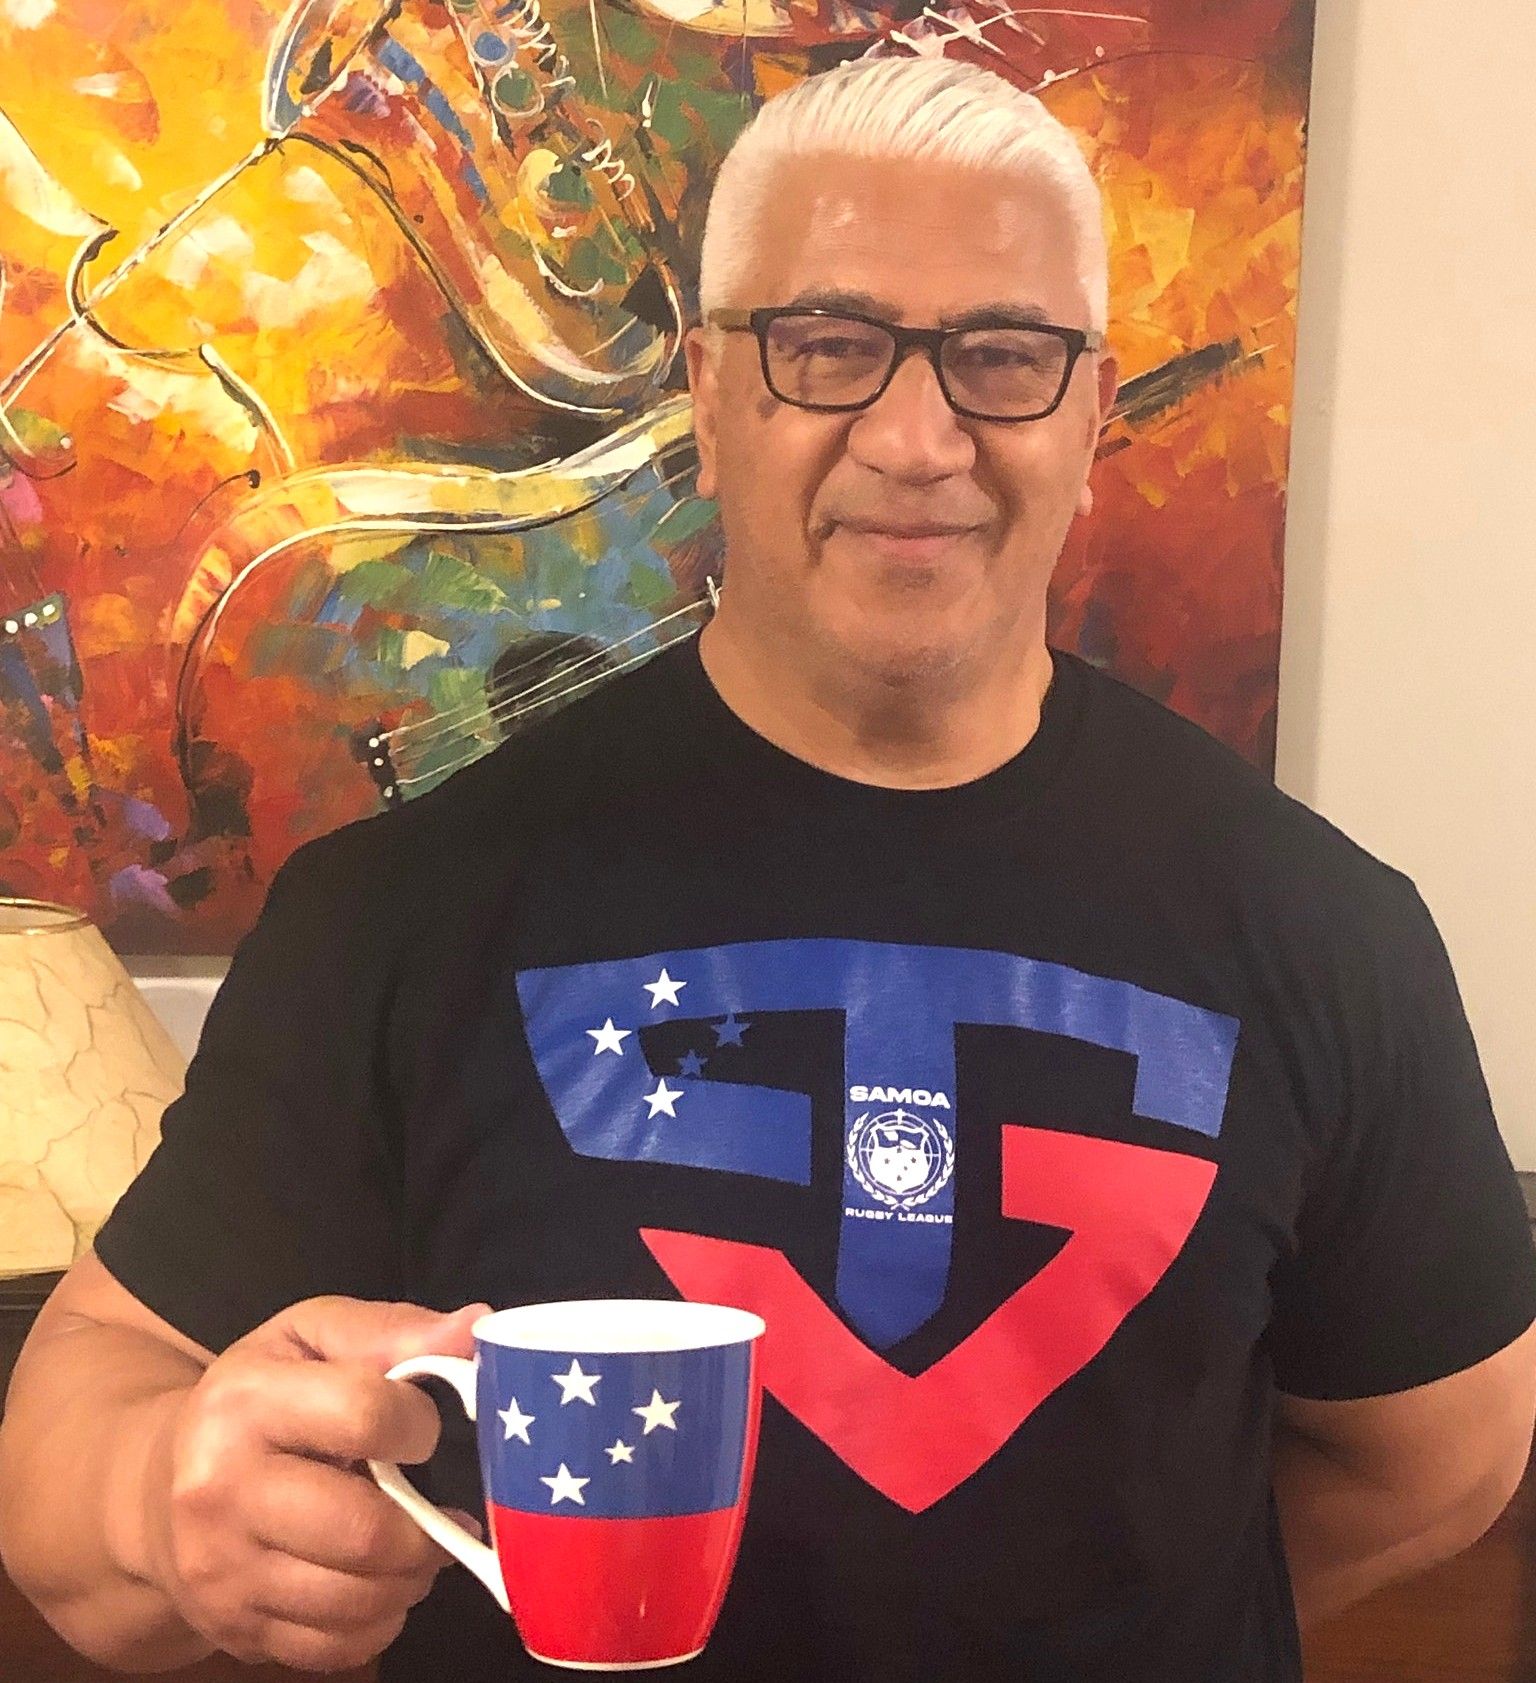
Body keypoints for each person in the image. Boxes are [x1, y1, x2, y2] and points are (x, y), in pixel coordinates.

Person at [2, 53, 1534, 1683]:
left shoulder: (1323, 926)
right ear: (711, 400)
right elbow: (67, 1461)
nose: (917, 438)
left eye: (1002, 357)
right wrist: (167, 1502)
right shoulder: (397, 913)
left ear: (1092, 415)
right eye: (828, 345)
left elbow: (1438, 1456)